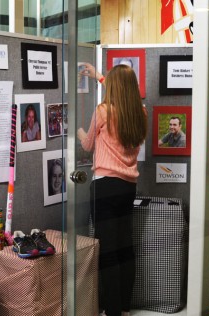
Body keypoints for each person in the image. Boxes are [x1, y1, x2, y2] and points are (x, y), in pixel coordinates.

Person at [78, 63, 147, 316]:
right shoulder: (140, 112)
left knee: (108, 251)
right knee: (124, 248)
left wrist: (80, 132)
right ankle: (125, 309)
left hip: (104, 186)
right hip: (128, 187)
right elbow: (123, 94)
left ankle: (113, 312)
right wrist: (100, 77)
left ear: (113, 88)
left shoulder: (103, 111)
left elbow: (87, 146)